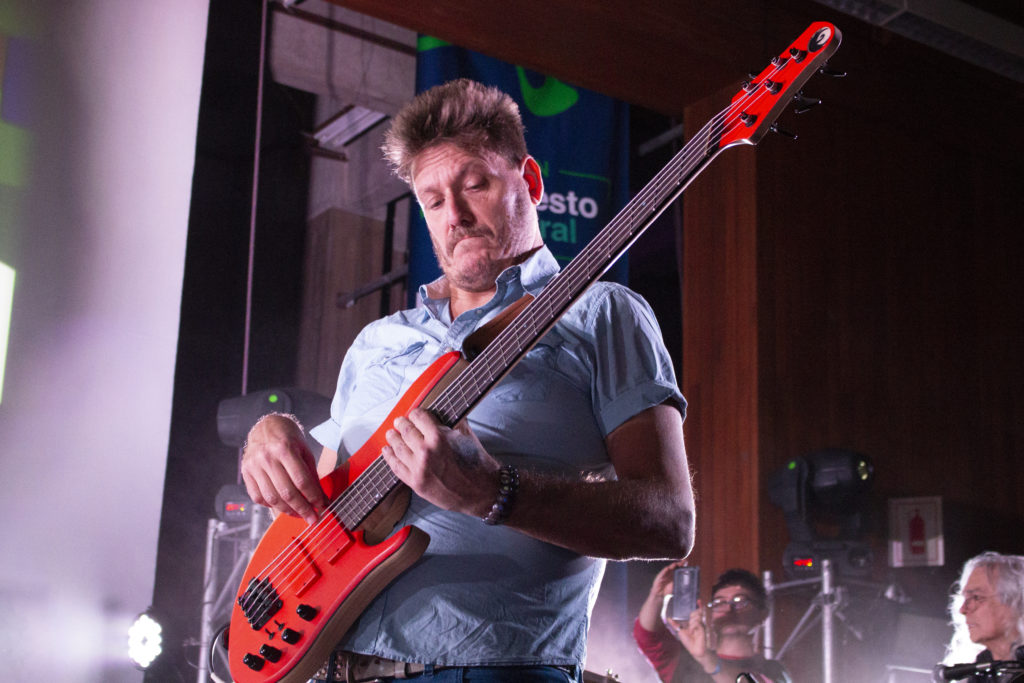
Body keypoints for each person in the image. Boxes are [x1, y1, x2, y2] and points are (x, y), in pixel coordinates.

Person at [241, 78, 695, 682]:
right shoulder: (378, 340)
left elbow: (669, 520)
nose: (453, 215)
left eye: (473, 184)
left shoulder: (603, 313)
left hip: (490, 669)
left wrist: (492, 491)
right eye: (431, 200)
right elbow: (318, 499)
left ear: (528, 181)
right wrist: (269, 435)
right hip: (331, 665)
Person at [633, 562, 790, 683]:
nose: (729, 609)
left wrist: (706, 659)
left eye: (740, 601)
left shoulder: (773, 671)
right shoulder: (686, 661)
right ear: (710, 615)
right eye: (720, 603)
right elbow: (647, 635)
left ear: (762, 613)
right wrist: (658, 596)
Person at [940, 551, 1024, 682]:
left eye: (976, 597)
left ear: (1016, 602)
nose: (963, 610)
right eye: (964, 598)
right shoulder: (978, 673)